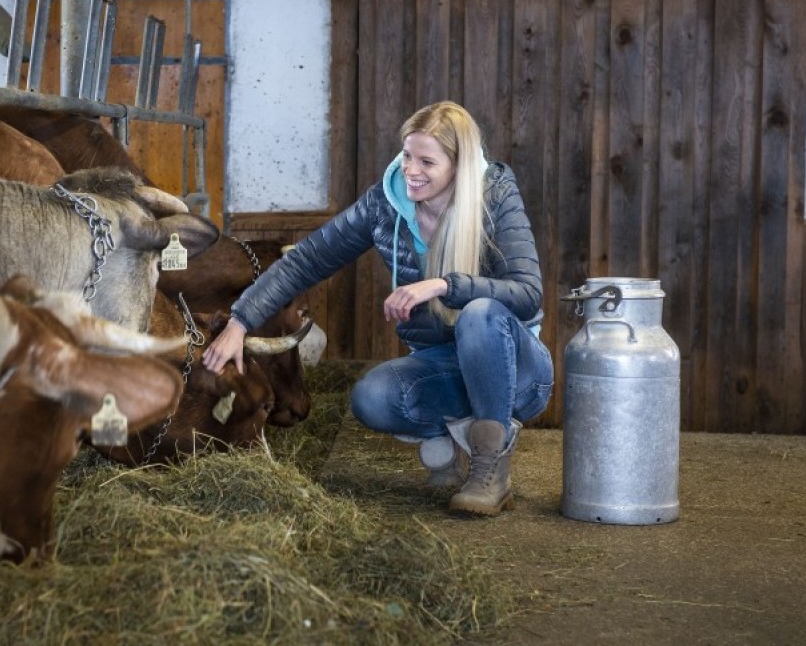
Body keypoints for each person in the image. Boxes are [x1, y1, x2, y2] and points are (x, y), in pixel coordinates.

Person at [202, 101, 553, 516]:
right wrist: (240, 322)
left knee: (479, 313)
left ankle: (490, 469)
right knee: (372, 397)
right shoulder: (385, 205)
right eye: (407, 155)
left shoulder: (495, 195)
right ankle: (461, 435)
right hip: (446, 364)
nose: (411, 170)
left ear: (458, 167)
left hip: (517, 373)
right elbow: (306, 260)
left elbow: (528, 293)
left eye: (427, 161)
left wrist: (443, 285)